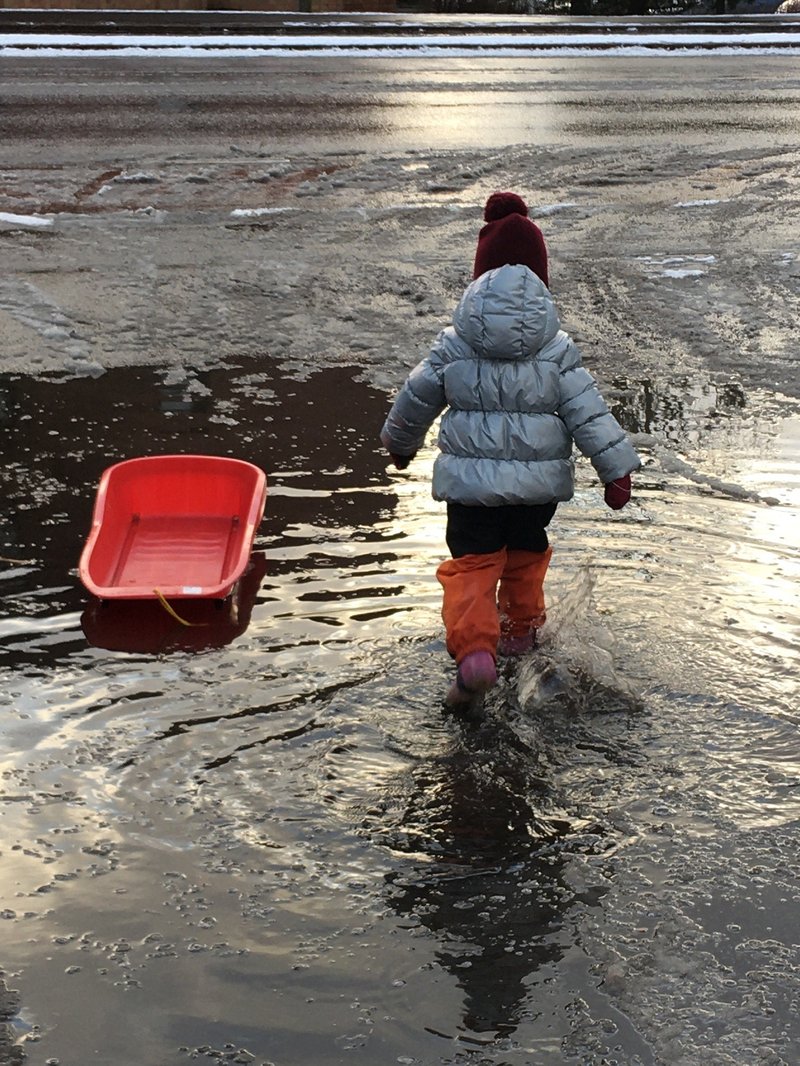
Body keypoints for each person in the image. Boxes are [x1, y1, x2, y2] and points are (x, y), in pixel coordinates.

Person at [380, 191, 641, 707]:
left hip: (472, 495)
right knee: (525, 559)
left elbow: (416, 399)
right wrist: (616, 473)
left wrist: (400, 445)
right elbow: (590, 412)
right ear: (541, 280)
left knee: (473, 569)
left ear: (477, 278)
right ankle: (521, 640)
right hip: (535, 494)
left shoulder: (455, 342)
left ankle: (476, 655)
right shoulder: (556, 348)